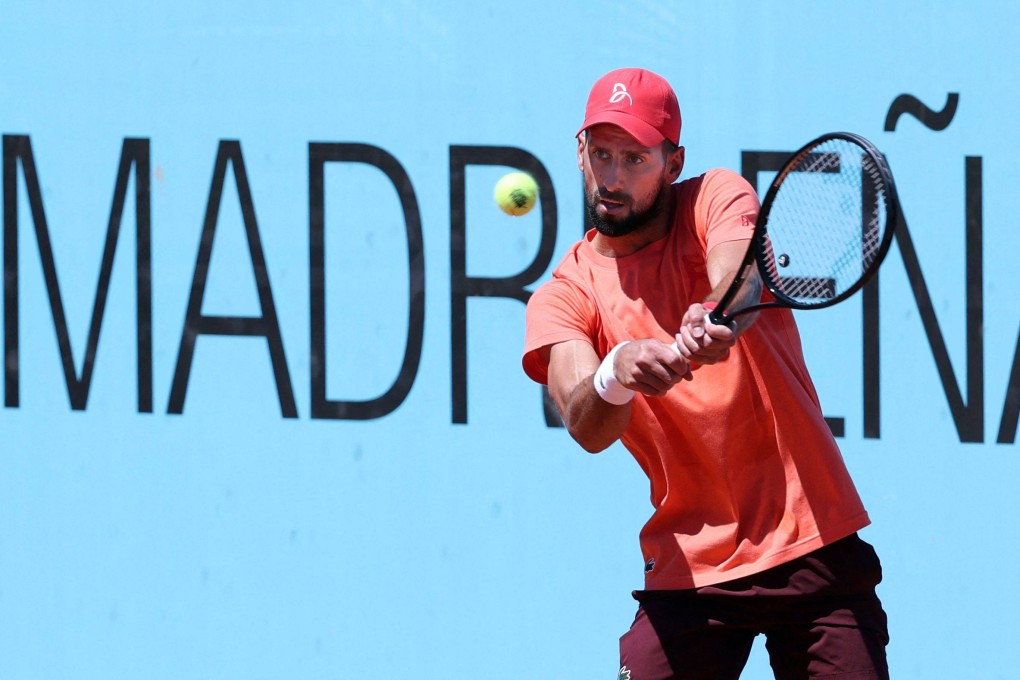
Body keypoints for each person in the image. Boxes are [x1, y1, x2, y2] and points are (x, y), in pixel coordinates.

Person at [521, 68, 890, 679]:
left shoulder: (717, 194)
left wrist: (718, 318)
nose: (612, 178)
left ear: (672, 162)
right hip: (689, 569)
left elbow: (739, 279)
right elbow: (586, 423)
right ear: (580, 152)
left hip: (811, 540)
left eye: (634, 158)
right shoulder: (564, 295)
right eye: (601, 155)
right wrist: (618, 370)